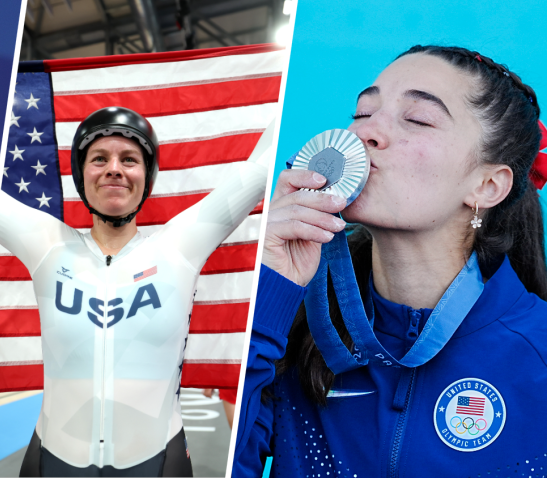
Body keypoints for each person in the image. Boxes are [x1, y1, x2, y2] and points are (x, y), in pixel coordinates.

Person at [233, 45, 547, 477]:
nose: (365, 133)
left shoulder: (539, 353)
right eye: (362, 114)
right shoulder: (295, 336)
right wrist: (270, 292)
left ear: (488, 185)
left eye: (417, 119)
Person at [0, 106, 274, 476]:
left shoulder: (179, 247)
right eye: (99, 158)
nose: (114, 168)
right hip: (52, 462)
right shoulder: (46, 245)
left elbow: (260, 169)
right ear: (81, 174)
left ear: (147, 175)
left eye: (129, 159)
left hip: (159, 464)